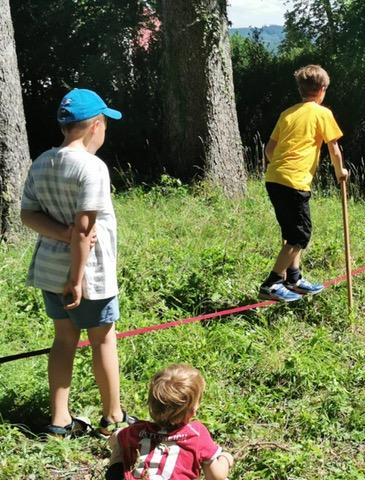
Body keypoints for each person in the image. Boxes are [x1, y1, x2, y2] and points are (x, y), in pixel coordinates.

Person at [21, 88, 134, 437]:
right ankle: (113, 417)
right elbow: (85, 229)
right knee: (103, 339)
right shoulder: (92, 167)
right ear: (95, 125)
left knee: (63, 339)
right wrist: (77, 277)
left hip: (49, 271)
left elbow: (28, 215)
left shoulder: (42, 162)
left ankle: (59, 420)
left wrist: (63, 234)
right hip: (88, 276)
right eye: (105, 125)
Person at [259, 64, 349, 302]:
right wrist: (341, 172)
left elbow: (269, 150)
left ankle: (294, 279)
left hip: (274, 178)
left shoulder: (287, 114)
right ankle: (272, 282)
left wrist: (281, 167)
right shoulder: (323, 113)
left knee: (291, 232)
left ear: (301, 89)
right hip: (294, 181)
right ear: (322, 90)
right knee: (300, 235)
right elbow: (334, 149)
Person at [106, 364, 234, 480]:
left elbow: (114, 439)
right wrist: (226, 458)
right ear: (193, 411)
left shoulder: (135, 430)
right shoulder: (197, 434)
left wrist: (117, 441)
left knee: (119, 443)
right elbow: (216, 476)